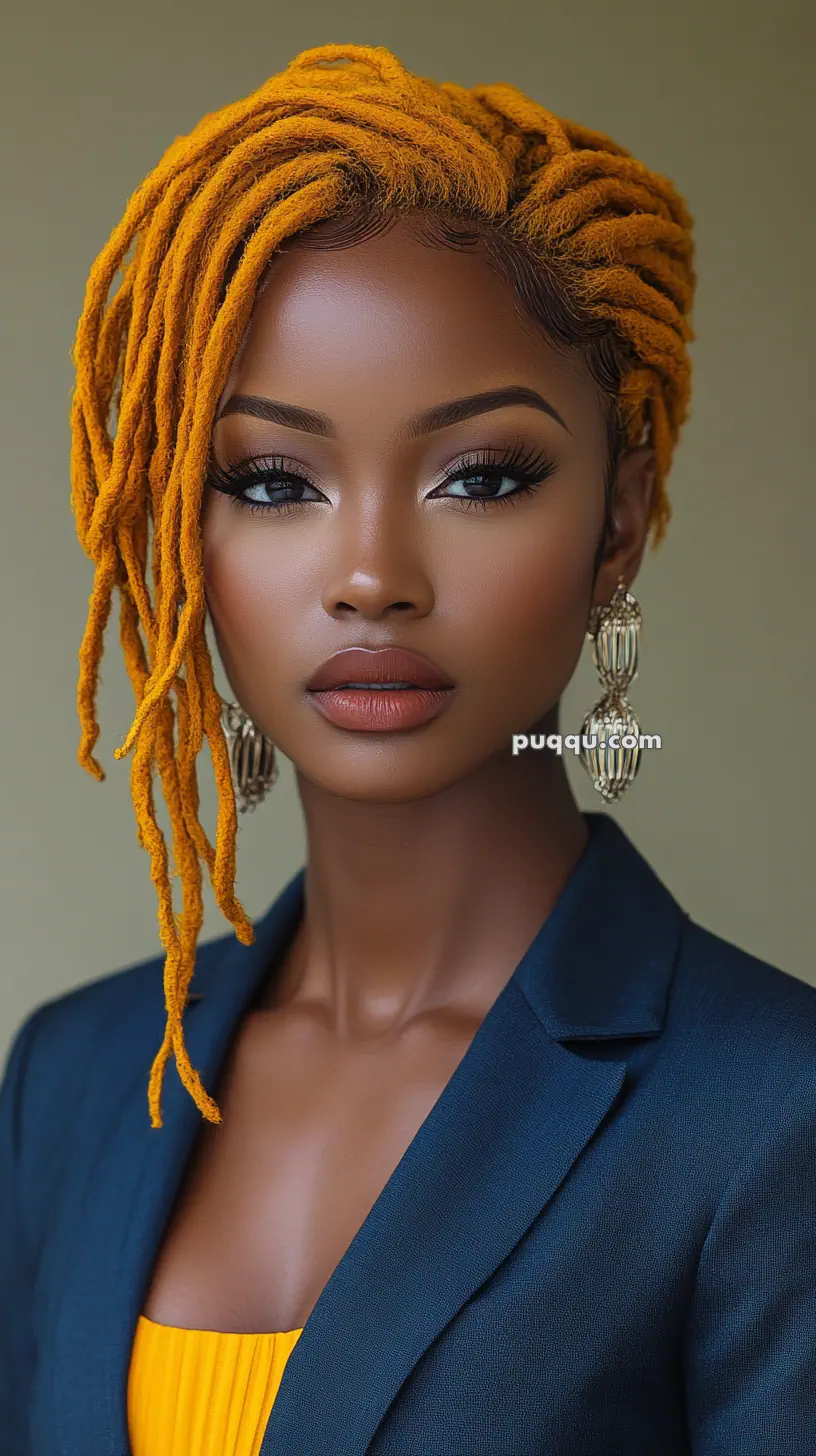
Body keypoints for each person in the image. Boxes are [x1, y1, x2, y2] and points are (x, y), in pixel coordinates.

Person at [1, 39, 814, 1456]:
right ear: (179, 534)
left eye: (480, 476)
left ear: (618, 522)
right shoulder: (70, 1078)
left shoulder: (766, 1113)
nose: (370, 572)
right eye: (272, 480)